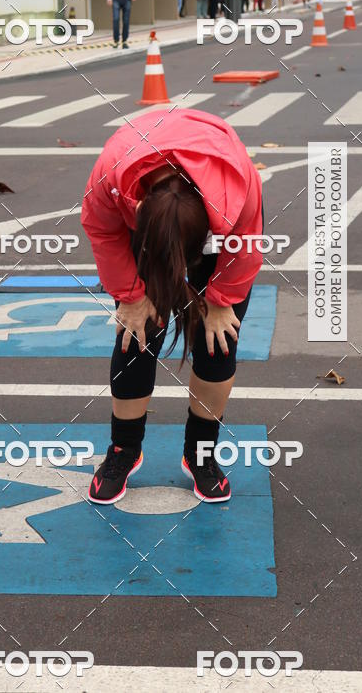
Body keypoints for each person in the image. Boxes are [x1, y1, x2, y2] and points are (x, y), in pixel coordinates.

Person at [81, 108, 264, 505]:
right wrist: (130, 294)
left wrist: (220, 301)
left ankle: (201, 453)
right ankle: (122, 451)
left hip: (221, 235)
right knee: (136, 336)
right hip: (147, 218)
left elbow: (247, 241)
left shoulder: (236, 188)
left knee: (218, 342)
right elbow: (100, 229)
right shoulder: (112, 175)